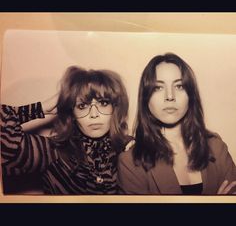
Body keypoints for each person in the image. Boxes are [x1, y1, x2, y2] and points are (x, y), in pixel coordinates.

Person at [1, 65, 133, 195]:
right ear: (72, 114)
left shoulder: (127, 149)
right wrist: (42, 107)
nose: (94, 114)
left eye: (103, 103)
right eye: (82, 106)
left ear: (114, 108)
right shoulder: (52, 151)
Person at [117, 53, 236, 195]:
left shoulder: (216, 147)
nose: (170, 96)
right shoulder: (130, 162)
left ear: (191, 95)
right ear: (146, 98)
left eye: (179, 86)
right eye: (158, 87)